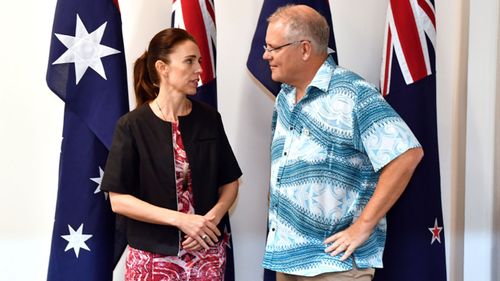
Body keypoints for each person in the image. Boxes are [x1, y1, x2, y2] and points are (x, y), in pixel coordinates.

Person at [261, 5, 424, 281]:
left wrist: (363, 226)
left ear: (304, 49)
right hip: (286, 259)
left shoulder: (353, 94)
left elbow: (408, 154)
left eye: (273, 48)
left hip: (336, 264)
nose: (266, 56)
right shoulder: (285, 98)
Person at [101, 28, 242, 280]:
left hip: (207, 256)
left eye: (199, 61)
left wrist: (213, 216)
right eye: (189, 61)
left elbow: (230, 181)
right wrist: (181, 220)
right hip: (152, 259)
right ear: (162, 68)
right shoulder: (132, 125)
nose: (199, 69)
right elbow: (118, 199)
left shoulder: (209, 119)